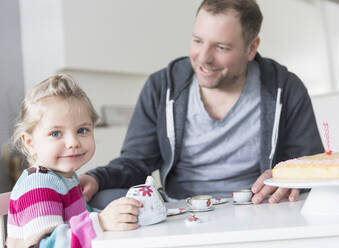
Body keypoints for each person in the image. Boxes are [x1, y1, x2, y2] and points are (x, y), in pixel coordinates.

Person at [80, 0, 323, 208]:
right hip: (179, 206)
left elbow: (309, 163)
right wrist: (96, 178)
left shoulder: (285, 88)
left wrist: (285, 177)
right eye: (198, 41)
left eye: (221, 47)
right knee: (103, 198)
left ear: (251, 48)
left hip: (257, 205)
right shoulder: (161, 86)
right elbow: (136, 162)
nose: (203, 58)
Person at [7, 74, 142, 248]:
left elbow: (82, 218)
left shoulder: (65, 178)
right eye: (56, 133)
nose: (73, 143)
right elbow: (46, 245)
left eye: (82, 130)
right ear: (30, 143)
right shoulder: (38, 186)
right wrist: (100, 223)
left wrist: (116, 217)